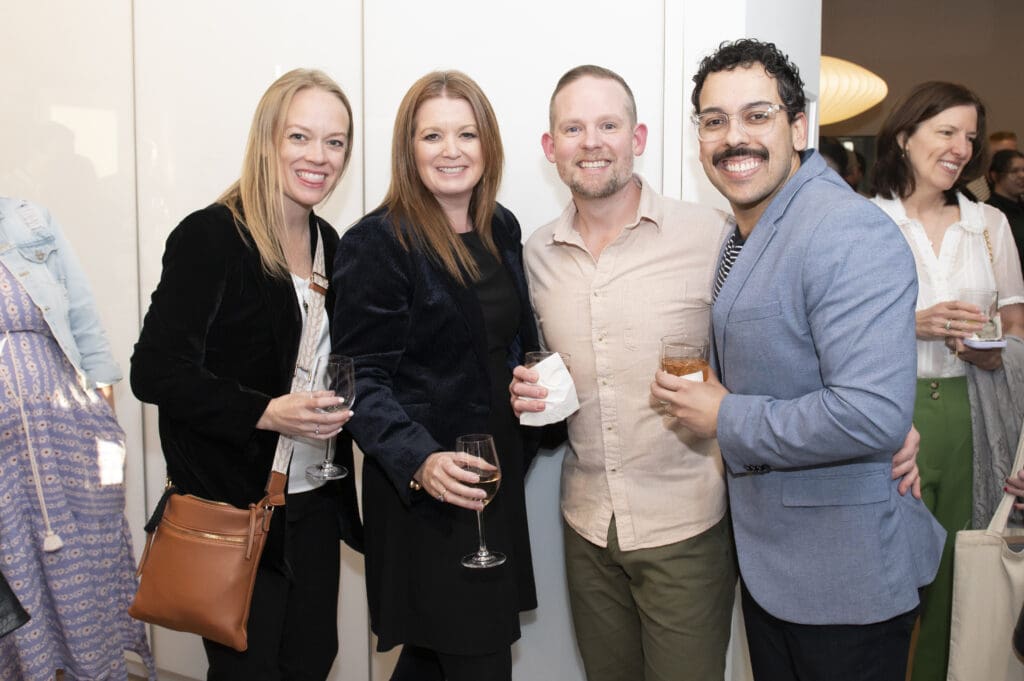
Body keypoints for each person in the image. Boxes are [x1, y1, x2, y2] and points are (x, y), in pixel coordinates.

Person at [653, 39, 946, 681]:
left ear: (798, 126)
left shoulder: (845, 230)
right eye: (714, 120)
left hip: (843, 580)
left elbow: (869, 415)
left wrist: (725, 415)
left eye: (757, 115)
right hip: (776, 567)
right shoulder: (746, 227)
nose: (735, 137)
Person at [131, 69, 362, 680]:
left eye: (335, 142)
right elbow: (154, 372)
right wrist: (264, 411)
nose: (319, 157)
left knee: (313, 660)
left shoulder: (329, 243)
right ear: (267, 140)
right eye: (300, 137)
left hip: (313, 501)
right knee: (248, 671)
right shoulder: (212, 236)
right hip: (237, 507)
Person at [511, 64, 738, 681]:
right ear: (550, 147)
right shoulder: (533, 255)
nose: (592, 142)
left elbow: (768, 349)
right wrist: (524, 393)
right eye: (574, 127)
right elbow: (527, 366)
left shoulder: (712, 235)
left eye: (608, 125)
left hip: (686, 523)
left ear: (637, 139)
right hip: (587, 523)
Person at [332, 70, 537, 681]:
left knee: (432, 658)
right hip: (428, 493)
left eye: (467, 133)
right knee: (476, 658)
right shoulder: (379, 242)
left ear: (488, 145)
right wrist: (421, 459)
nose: (451, 150)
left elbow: (508, 340)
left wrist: (535, 379)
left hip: (490, 478)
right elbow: (360, 379)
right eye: (432, 136)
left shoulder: (501, 227)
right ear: (408, 148)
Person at [870, 80, 1024, 681]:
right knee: (881, 580)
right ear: (905, 136)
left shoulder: (989, 225)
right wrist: (911, 325)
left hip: (969, 415)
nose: (961, 148)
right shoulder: (861, 220)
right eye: (946, 132)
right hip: (884, 416)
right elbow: (825, 330)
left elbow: (1015, 329)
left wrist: (992, 353)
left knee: (959, 581)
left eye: (970, 137)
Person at [0, 198, 155, 679]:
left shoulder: (28, 220)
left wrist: (103, 414)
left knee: (84, 558)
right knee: (14, 566)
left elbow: (83, 314)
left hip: (68, 428)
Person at [986, 148, 1024, 268]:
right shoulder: (990, 211)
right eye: (1014, 171)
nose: (1022, 175)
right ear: (995, 175)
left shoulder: (1021, 206)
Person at [964, 130, 1018, 202]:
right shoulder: (971, 187)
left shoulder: (1019, 184)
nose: (1006, 158)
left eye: (1011, 154)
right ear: (986, 154)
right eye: (999, 154)